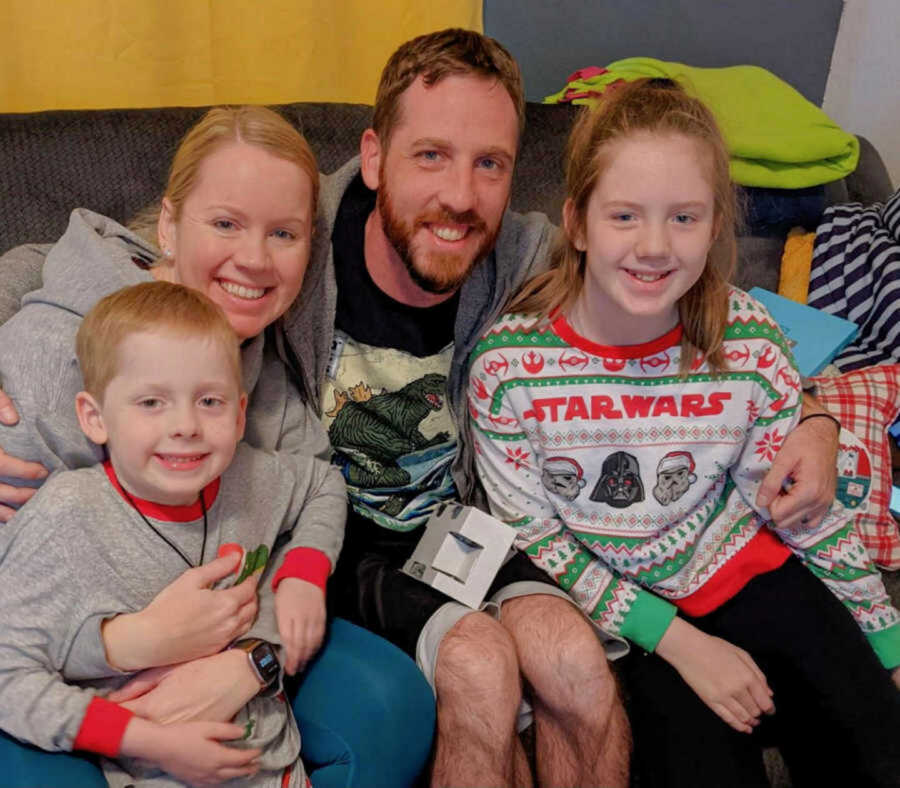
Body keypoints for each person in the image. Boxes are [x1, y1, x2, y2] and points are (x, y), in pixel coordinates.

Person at [0, 29, 841, 788]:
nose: (462, 196)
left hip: (465, 529)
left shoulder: (525, 249)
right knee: (477, 665)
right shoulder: (297, 223)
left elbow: (673, 282)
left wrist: (811, 412)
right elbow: (87, 258)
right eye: (431, 155)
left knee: (576, 666)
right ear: (373, 155)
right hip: (344, 550)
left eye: (491, 164)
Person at [468, 77, 900, 788]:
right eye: (626, 216)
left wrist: (883, 636)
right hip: (636, 627)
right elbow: (540, 538)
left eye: (685, 218)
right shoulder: (509, 369)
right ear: (577, 223)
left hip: (758, 577)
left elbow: (802, 508)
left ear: (715, 226)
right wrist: (680, 643)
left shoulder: (748, 340)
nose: (655, 246)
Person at [0, 105, 433, 788]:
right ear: (170, 225)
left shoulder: (259, 367)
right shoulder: (54, 360)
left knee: (393, 704)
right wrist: (128, 647)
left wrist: (252, 656)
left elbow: (312, 487)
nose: (254, 260)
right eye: (225, 223)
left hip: (226, 647)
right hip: (47, 665)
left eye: (284, 233)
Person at [0, 281, 347, 786]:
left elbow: (323, 485)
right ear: (95, 418)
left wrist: (305, 571)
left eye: (210, 401)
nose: (185, 425)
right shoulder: (68, 517)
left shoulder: (254, 478)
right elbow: (7, 674)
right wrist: (143, 739)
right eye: (151, 403)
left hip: (282, 770)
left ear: (240, 412)